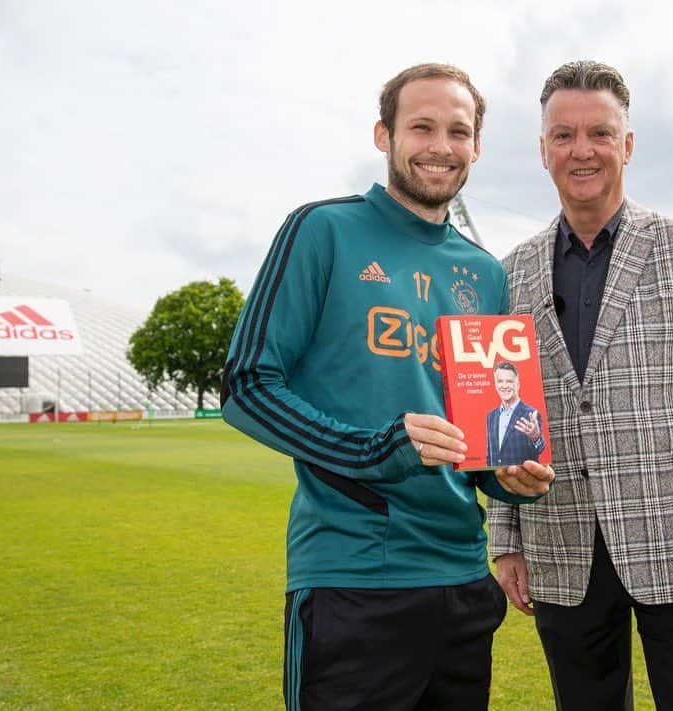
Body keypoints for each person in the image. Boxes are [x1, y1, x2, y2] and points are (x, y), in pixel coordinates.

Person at [220, 63, 554, 711]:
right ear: (384, 135)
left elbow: (476, 432)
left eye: (458, 131)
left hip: (462, 584)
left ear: (476, 147)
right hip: (353, 581)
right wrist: (375, 448)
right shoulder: (322, 230)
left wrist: (507, 474)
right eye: (420, 126)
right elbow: (246, 384)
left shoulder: (484, 273)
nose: (440, 145)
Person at [487, 60, 673, 711]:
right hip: (560, 544)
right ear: (542, 150)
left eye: (598, 132)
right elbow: (509, 412)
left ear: (628, 144)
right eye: (563, 135)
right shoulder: (509, 271)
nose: (581, 149)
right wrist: (506, 538)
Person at [486, 361, 545, 466]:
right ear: (495, 384)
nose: (504, 386)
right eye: (500, 381)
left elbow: (539, 449)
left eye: (509, 381)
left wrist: (535, 438)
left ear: (517, 384)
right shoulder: (491, 416)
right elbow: (490, 454)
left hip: (523, 479)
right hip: (495, 480)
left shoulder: (531, 414)